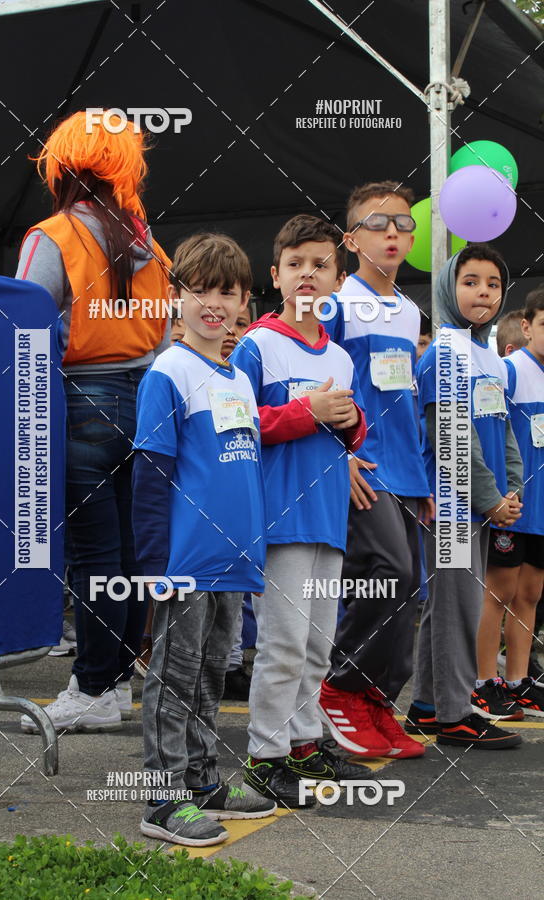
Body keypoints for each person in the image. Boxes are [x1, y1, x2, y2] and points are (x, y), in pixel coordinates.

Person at [17, 110, 171, 733]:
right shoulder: (148, 244)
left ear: (62, 165)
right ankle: (111, 684)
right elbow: (162, 336)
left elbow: (21, 331)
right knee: (129, 551)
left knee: (93, 554)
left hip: (82, 398)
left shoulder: (51, 235)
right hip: (147, 399)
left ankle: (93, 684)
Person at [133, 233, 276, 847]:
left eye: (228, 292)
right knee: (174, 673)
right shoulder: (169, 372)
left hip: (234, 561)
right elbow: (149, 474)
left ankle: (202, 779)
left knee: (215, 671)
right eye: (200, 291)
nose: (213, 304)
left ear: (246, 301)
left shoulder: (238, 377)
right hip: (187, 562)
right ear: (177, 296)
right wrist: (154, 563)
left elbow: (243, 470)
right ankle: (163, 800)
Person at [233, 214, 371, 808]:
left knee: (316, 643)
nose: (307, 275)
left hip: (325, 517)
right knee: (284, 642)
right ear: (276, 275)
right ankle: (265, 757)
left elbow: (354, 431)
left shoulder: (340, 356)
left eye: (320, 265)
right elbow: (233, 424)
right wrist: (308, 411)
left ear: (338, 280)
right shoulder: (256, 345)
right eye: (295, 264)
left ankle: (304, 744)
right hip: (279, 519)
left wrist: (351, 422)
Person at [317, 181, 433, 759]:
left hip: (407, 472)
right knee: (390, 574)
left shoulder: (411, 310)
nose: (394, 233)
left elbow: (404, 398)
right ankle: (340, 686)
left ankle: (377, 700)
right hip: (366, 468)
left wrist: (427, 481)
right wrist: (341, 457)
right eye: (380, 223)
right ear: (352, 238)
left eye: (404, 224)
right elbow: (318, 380)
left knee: (408, 589)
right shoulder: (337, 305)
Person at [406, 244, 524, 749]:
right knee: (458, 606)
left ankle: (428, 706)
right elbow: (451, 436)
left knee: (450, 605)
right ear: (448, 290)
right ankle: (455, 713)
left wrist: (511, 490)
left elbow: (506, 431)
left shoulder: (490, 358)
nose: (483, 292)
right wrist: (491, 497)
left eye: (493, 284)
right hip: (453, 504)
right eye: (470, 281)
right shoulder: (444, 352)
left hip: (482, 503)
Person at [475, 287, 544, 716]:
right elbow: (489, 431)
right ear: (528, 325)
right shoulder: (510, 370)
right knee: (497, 592)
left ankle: (519, 679)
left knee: (531, 592)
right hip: (512, 504)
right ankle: (483, 681)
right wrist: (498, 493)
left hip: (541, 509)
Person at [221, 301, 254, 701]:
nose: (232, 329)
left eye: (242, 323)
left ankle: (233, 664)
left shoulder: (246, 378)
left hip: (247, 500)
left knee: (241, 592)